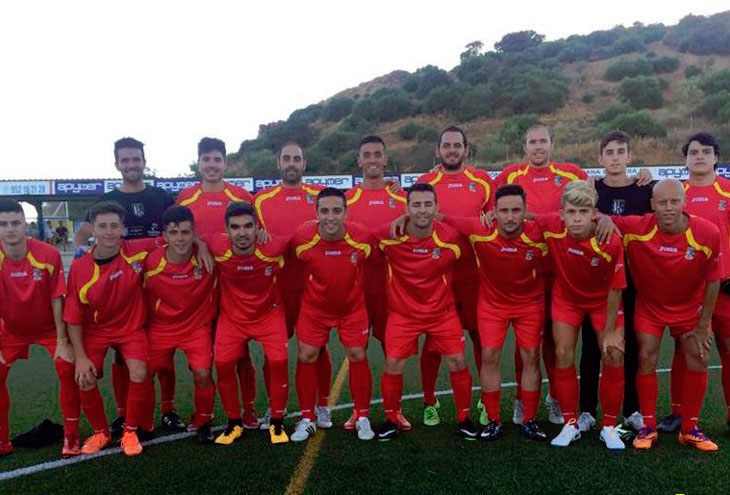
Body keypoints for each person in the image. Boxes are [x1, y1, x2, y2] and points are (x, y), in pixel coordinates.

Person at [604, 179, 722, 452]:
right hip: (650, 308)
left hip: (690, 309)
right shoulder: (636, 228)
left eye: (674, 201)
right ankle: (648, 426)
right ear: (652, 204)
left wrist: (704, 324)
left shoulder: (707, 232)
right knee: (646, 359)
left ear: (684, 202)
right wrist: (604, 218)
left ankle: (689, 429)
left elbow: (714, 280)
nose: (668, 207)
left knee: (699, 358)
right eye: (662, 202)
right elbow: (598, 217)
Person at [73, 137, 179, 436]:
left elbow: (179, 227)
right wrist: (82, 253)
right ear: (117, 164)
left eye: (136, 159)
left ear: (144, 162)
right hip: (124, 287)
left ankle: (168, 410)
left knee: (163, 351)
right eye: (125, 160)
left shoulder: (161, 197)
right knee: (123, 355)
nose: (131, 165)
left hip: (157, 284)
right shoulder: (107, 201)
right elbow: (83, 234)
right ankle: (124, 415)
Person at [438, 185, 549, 441]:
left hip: (529, 304)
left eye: (516, 211)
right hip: (492, 305)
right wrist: (403, 218)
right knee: (489, 356)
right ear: (494, 212)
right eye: (504, 211)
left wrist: (603, 218)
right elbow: (442, 217)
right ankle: (493, 419)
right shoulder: (479, 230)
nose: (510, 217)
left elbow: (566, 219)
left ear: (525, 212)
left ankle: (529, 419)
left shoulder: (537, 232)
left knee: (531, 356)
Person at [494, 124, 589, 426]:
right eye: (532, 142)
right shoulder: (510, 175)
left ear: (551, 145)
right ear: (525, 147)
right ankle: (521, 399)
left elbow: (593, 196)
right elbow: (490, 208)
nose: (538, 146)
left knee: (557, 343)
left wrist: (642, 176)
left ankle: (556, 398)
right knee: (526, 344)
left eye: (542, 141)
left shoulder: (571, 173)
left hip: (562, 270)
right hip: (526, 270)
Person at [376, 183, 476, 441]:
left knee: (458, 361)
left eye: (428, 204)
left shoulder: (451, 238)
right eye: (416, 205)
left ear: (436, 207)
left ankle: (464, 418)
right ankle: (391, 419)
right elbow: (355, 236)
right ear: (407, 208)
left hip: (442, 313)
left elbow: (479, 233)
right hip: (402, 314)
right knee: (393, 363)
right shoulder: (389, 235)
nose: (422, 210)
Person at [536, 181, 627, 450]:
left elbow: (616, 288)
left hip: (603, 302)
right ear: (561, 214)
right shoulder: (551, 226)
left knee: (613, 353)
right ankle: (570, 424)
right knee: (563, 353)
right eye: (571, 212)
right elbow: (524, 217)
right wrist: (492, 215)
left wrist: (609, 332)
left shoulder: (609, 240)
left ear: (594, 214)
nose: (576, 218)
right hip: (567, 300)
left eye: (583, 212)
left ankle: (609, 427)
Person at [64, 201, 158, 457]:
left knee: (139, 371)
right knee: (84, 376)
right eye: (102, 226)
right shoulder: (80, 266)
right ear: (92, 229)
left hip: (131, 328)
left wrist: (200, 245)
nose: (108, 232)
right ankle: (101, 433)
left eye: (114, 226)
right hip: (96, 331)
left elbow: (174, 240)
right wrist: (80, 357)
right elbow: (73, 316)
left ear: (122, 228)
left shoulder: (136, 250)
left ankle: (130, 432)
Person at [415, 126, 494, 427]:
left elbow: (495, 217)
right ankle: (429, 401)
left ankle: (485, 400)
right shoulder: (426, 181)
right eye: (446, 145)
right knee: (433, 341)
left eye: (457, 145)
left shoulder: (482, 180)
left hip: (474, 274)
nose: (451, 150)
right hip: (437, 275)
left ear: (465, 150)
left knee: (480, 337)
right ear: (438, 151)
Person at [177, 137, 258, 429]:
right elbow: (177, 234)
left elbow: (256, 232)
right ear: (198, 163)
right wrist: (198, 243)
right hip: (198, 287)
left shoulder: (241, 196)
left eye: (217, 160)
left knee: (241, 355)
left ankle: (248, 411)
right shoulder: (185, 198)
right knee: (203, 355)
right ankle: (204, 413)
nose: (212, 165)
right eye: (206, 159)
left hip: (234, 286)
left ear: (225, 163)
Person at [253, 142, 331, 430]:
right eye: (286, 158)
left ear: (304, 163)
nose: (291, 163)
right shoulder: (260, 200)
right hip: (276, 288)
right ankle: (275, 406)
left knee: (318, 349)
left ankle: (323, 405)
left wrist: (392, 186)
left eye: (296, 159)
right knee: (273, 351)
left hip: (313, 287)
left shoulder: (319, 196)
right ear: (278, 163)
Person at [578, 131, 651, 434]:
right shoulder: (591, 190)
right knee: (591, 348)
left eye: (621, 151)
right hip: (596, 281)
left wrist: (647, 175)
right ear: (600, 158)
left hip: (634, 279)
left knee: (631, 345)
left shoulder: (645, 189)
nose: (615, 157)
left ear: (630, 156)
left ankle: (632, 410)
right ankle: (586, 410)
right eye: (609, 152)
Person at [290, 188, 375, 442]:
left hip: (352, 308)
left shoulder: (362, 238)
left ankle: (362, 416)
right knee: (307, 355)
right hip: (315, 308)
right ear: (316, 213)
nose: (330, 217)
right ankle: (309, 417)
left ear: (346, 213)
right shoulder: (302, 238)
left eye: (337, 211)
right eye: (324, 211)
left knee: (357, 354)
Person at [662, 132, 730, 434]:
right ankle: (679, 413)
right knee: (684, 349)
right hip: (688, 290)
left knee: (727, 348)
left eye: (705, 152)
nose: (699, 157)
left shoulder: (727, 191)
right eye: (693, 152)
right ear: (685, 159)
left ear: (716, 157)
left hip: (725, 287)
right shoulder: (677, 195)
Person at [0, 199, 80, 457]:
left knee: (67, 368)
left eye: (16, 222)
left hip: (48, 329)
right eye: (3, 224)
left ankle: (71, 437)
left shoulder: (48, 254)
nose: (10, 229)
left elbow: (57, 299)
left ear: (26, 225)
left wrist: (62, 341)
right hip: (11, 331)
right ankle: (2, 440)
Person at [207, 202, 290, 445]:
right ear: (226, 230)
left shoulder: (273, 247)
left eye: (248, 226)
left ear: (257, 228)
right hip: (232, 318)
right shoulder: (217, 246)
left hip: (268, 315)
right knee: (222, 364)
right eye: (235, 227)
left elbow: (301, 239)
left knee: (278, 361)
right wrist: (200, 246)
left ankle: (277, 422)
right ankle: (234, 423)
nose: (242, 233)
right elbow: (192, 240)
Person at [343, 135, 410, 431]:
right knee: (356, 352)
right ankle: (359, 411)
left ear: (385, 159)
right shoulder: (346, 200)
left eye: (377, 154)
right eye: (367, 154)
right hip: (356, 288)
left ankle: (395, 410)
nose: (372, 159)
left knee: (392, 352)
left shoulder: (402, 199)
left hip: (391, 289)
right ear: (359, 160)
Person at [142, 206, 217, 444]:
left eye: (186, 232)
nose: (180, 238)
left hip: (196, 327)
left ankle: (203, 421)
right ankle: (146, 422)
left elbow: (237, 240)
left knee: (203, 373)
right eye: (174, 233)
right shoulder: (151, 261)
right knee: (145, 373)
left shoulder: (207, 255)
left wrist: (202, 245)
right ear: (164, 235)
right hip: (161, 327)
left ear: (194, 233)